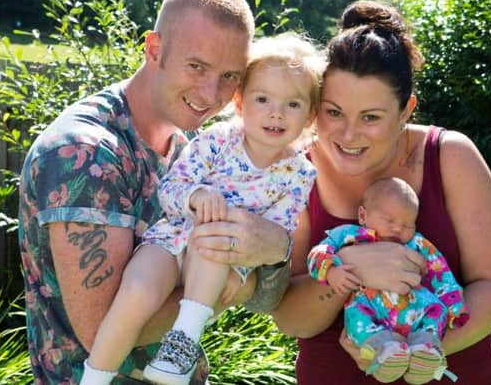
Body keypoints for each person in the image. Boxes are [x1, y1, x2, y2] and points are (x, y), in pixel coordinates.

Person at [18, 0, 295, 385]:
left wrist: (277, 248)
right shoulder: (86, 154)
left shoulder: (192, 148)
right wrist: (237, 282)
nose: (210, 93)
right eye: (196, 66)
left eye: (229, 76)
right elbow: (101, 333)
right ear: (154, 49)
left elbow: (271, 299)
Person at [267, 0, 491, 384]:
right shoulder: (295, 172)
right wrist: (351, 268)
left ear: (406, 111)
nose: (348, 135)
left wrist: (412, 351)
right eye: (334, 112)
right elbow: (288, 317)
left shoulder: (449, 155)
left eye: (370, 117)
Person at [81, 33, 322, 385]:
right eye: (263, 99)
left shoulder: (299, 174)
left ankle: (180, 350)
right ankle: (94, 378)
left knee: (215, 237)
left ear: (311, 116)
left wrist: (241, 271)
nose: (276, 112)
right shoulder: (217, 141)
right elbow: (171, 189)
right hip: (171, 241)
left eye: (293, 104)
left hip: (220, 257)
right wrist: (196, 194)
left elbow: (274, 235)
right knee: (137, 293)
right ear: (240, 103)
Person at [307, 177, 469, 384]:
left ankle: (425, 348)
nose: (398, 229)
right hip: (369, 306)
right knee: (357, 319)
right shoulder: (350, 235)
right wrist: (330, 271)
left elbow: (440, 271)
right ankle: (383, 350)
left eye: (407, 224)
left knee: (437, 310)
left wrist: (454, 306)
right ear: (363, 215)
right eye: (390, 220)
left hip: (416, 307)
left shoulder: (417, 243)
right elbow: (318, 252)